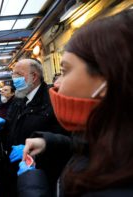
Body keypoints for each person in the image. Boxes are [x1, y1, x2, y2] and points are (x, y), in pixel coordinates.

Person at [17, 9, 133, 197]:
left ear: (107, 79)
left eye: (65, 71)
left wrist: (32, 185)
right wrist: (49, 142)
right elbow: (89, 148)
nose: (56, 83)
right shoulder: (111, 136)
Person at [0, 58, 65, 196]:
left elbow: (63, 141)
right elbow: (12, 121)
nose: (14, 79)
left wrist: (36, 153)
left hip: (39, 175)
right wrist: (3, 123)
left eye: (18, 75)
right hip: (13, 169)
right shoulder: (19, 97)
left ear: (34, 76)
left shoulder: (52, 101)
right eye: (13, 75)